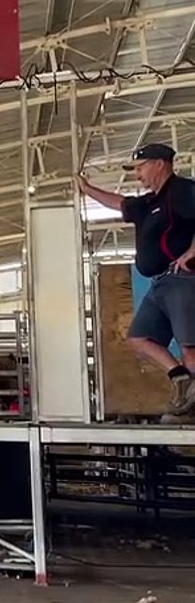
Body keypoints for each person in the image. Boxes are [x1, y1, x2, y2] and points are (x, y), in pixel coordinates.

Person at [78, 143, 195, 423]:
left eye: (140, 167)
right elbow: (119, 203)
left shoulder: (181, 191)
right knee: (138, 337)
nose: (137, 174)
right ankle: (180, 379)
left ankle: (192, 408)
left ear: (160, 164)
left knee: (190, 346)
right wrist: (86, 188)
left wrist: (192, 251)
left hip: (182, 280)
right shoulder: (148, 203)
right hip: (159, 283)